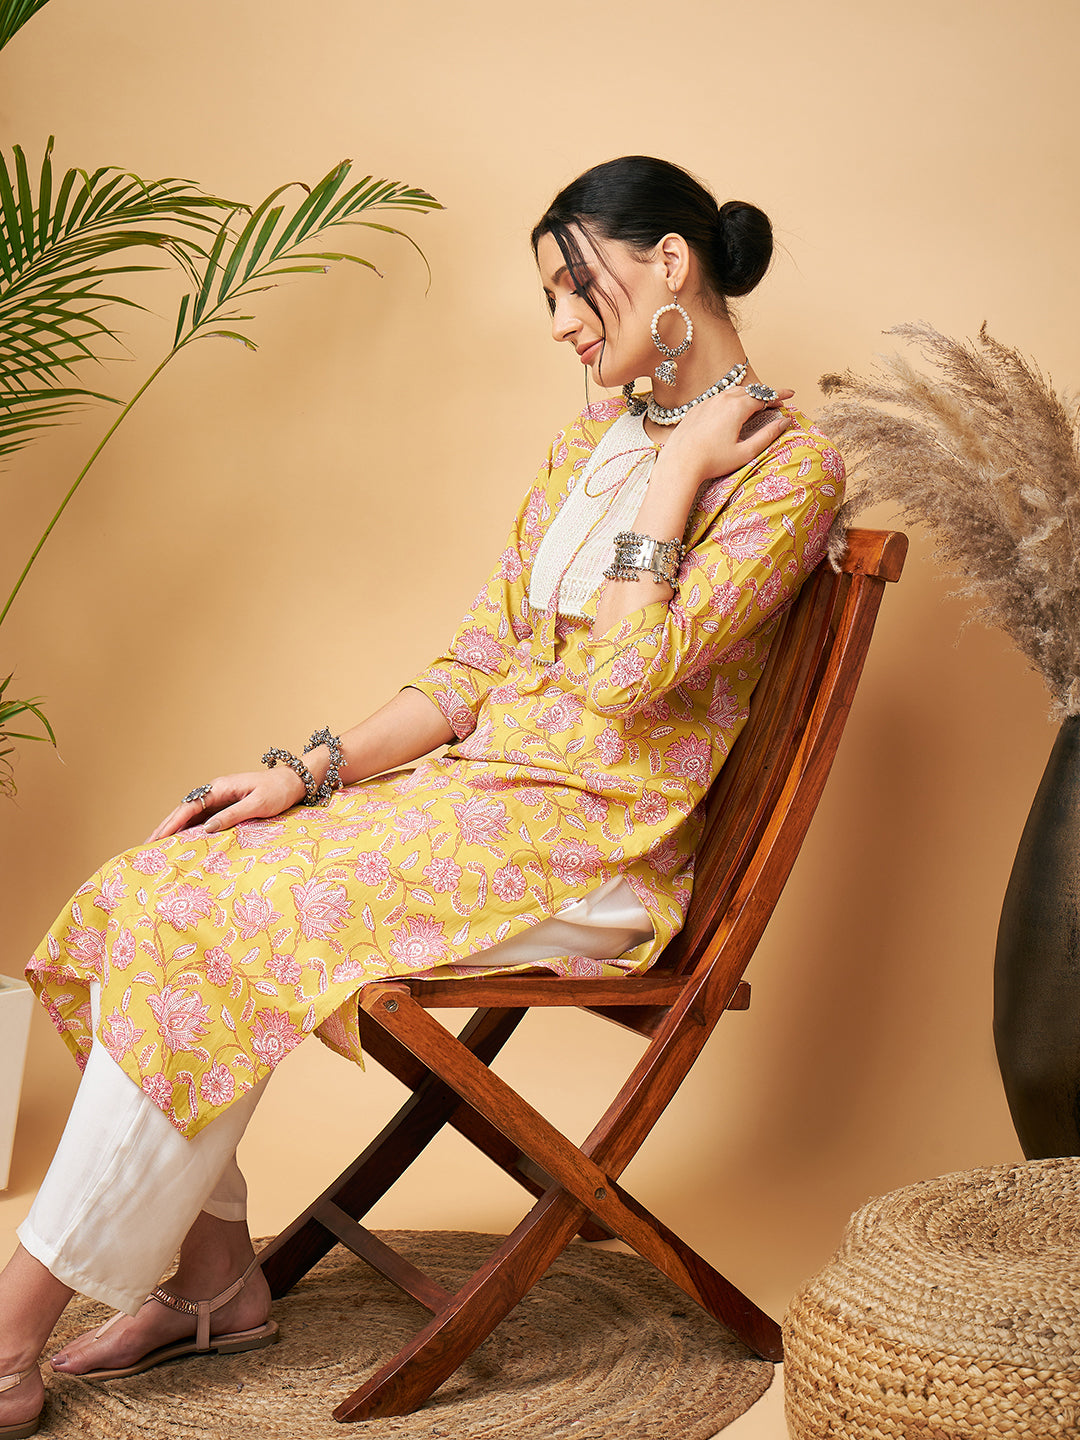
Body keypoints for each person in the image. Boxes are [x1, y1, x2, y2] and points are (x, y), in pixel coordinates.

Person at [0, 154, 843, 1436]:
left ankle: (11, 1334)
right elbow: (474, 667)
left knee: (225, 922)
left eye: (574, 286)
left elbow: (626, 678)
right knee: (159, 878)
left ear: (671, 263)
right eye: (549, 297)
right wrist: (301, 773)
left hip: (594, 846)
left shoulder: (790, 472)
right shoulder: (587, 443)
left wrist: (678, 476)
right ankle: (213, 1279)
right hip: (476, 803)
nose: (559, 323)